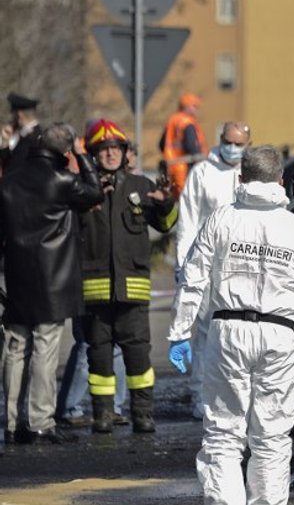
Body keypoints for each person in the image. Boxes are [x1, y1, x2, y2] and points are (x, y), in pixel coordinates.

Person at [168, 146, 294, 505]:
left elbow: (193, 280)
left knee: (224, 435)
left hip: (228, 332)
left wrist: (180, 333)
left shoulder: (222, 219)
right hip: (280, 333)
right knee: (271, 438)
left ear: (240, 179)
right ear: (281, 181)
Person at [0, 122, 104, 444]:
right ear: (65, 151)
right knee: (45, 349)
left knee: (16, 349)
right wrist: (84, 157)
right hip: (53, 279)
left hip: (17, 276)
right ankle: (40, 420)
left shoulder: (9, 182)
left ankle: (13, 422)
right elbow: (95, 191)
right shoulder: (62, 181)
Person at [80, 119, 177, 433]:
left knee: (138, 355)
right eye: (104, 149)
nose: (110, 154)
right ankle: (103, 415)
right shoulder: (82, 189)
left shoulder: (141, 187)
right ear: (94, 154)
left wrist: (167, 204)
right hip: (95, 289)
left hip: (132, 288)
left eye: (115, 149)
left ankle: (142, 413)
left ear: (124, 152)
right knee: (99, 356)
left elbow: (165, 226)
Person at [175, 121, 251, 420]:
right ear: (220, 140)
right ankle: (201, 395)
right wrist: (183, 264)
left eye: (240, 143)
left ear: (248, 143)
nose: (233, 148)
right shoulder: (203, 173)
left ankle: (236, 396)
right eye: (228, 141)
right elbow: (188, 222)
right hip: (207, 263)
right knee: (206, 332)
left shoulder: (251, 173)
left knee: (240, 333)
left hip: (242, 265)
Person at [160, 92, 208, 199]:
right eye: (194, 106)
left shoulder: (172, 120)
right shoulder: (187, 123)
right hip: (186, 170)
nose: (196, 110)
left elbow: (162, 144)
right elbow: (193, 148)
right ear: (187, 106)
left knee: (174, 200)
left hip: (171, 168)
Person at [0, 91, 41, 174]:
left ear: (19, 115)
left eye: (14, 115)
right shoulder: (24, 135)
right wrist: (5, 142)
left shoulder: (33, 138)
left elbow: (12, 167)